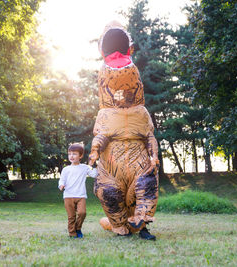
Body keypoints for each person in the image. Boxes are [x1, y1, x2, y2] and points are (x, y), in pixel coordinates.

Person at [88, 21, 159, 240]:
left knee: (147, 184)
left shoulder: (142, 112)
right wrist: (94, 152)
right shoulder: (105, 114)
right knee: (108, 190)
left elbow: (149, 136)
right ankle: (119, 226)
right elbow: (100, 136)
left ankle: (142, 224)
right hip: (113, 167)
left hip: (139, 162)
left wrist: (154, 156)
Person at [59, 143, 98, 238]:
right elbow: (62, 179)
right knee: (71, 216)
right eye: (69, 154)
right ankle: (72, 233)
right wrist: (61, 185)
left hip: (81, 196)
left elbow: (94, 174)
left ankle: (78, 228)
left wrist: (94, 165)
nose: (71, 156)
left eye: (74, 154)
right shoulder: (66, 169)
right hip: (68, 196)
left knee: (82, 213)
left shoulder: (84, 167)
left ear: (80, 156)